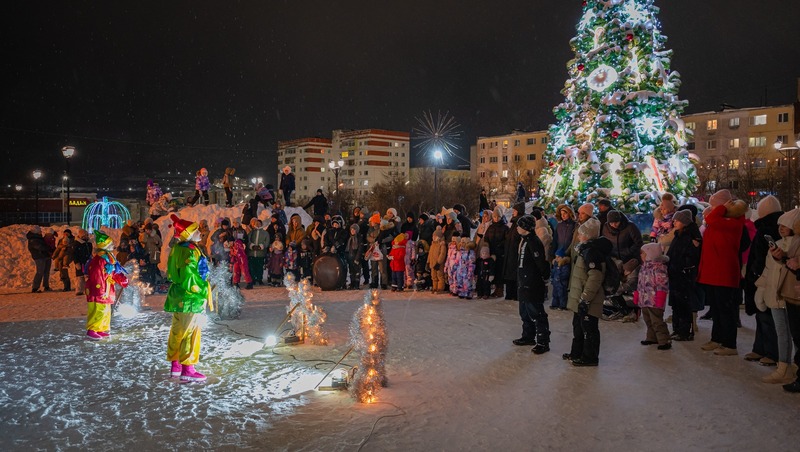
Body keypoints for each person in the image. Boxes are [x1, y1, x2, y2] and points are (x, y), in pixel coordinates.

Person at [697, 190, 748, 356]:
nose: (711, 209)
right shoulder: (722, 221)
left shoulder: (733, 221)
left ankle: (729, 344)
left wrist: (720, 209)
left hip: (724, 273)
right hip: (714, 272)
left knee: (726, 311)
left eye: (714, 205)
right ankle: (717, 338)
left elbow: (710, 218)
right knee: (717, 309)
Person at [756, 208, 799, 384]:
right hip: (776, 293)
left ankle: (792, 366)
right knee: (782, 332)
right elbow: (768, 270)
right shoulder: (777, 244)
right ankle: (784, 366)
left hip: (791, 294)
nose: (781, 228)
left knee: (795, 333)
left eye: (785, 225)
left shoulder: (795, 244)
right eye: (779, 225)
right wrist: (762, 288)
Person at [164, 214, 209, 381]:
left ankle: (176, 365)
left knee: (178, 331)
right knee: (190, 332)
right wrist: (202, 288)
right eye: (195, 230)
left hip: (179, 296)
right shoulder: (188, 250)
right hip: (190, 297)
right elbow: (189, 274)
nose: (199, 232)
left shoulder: (178, 248)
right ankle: (188, 369)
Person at [743, 195, 782, 365]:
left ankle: (772, 352)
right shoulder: (768, 228)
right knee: (761, 315)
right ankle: (760, 348)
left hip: (765, 278)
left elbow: (763, 256)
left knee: (766, 316)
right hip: (760, 276)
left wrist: (755, 273)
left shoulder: (769, 229)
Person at [564, 218, 609, 366]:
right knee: (578, 326)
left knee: (588, 329)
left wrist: (585, 298)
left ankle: (590, 357)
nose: (578, 237)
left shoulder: (592, 252)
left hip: (588, 299)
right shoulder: (584, 250)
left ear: (588, 236)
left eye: (581, 234)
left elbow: (595, 277)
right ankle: (577, 352)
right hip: (581, 298)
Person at [513, 215, 551, 354]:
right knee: (524, 312)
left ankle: (543, 340)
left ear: (526, 228)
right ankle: (528, 335)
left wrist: (544, 276)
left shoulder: (534, 242)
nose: (517, 228)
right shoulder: (524, 240)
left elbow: (540, 263)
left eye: (519, 225)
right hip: (523, 282)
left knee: (536, 312)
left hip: (532, 283)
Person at [666, 208, 702, 341]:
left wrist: (683, 267)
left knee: (683, 303)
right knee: (676, 304)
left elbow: (690, 256)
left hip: (683, 275)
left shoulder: (690, 237)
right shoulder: (679, 234)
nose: (674, 221)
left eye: (678, 220)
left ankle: (684, 331)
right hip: (676, 273)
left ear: (685, 222)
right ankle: (677, 329)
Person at [85, 231, 129, 340]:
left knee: (105, 310)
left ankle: (101, 328)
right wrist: (100, 290)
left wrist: (122, 280)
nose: (112, 246)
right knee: (98, 310)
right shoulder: (99, 260)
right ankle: (92, 329)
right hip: (100, 290)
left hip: (106, 289)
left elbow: (114, 272)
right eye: (110, 244)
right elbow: (97, 276)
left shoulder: (108, 258)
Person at [636, 243, 671, 350]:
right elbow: (639, 283)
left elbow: (662, 284)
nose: (641, 256)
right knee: (648, 320)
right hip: (645, 299)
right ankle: (652, 337)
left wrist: (661, 297)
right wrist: (637, 295)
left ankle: (664, 340)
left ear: (650, 254)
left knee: (657, 321)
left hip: (655, 300)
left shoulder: (658, 268)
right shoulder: (644, 267)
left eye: (643, 254)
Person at [503, 202, 526, 300]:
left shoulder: (520, 222)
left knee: (514, 273)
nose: (513, 212)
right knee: (509, 272)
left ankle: (514, 294)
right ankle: (509, 293)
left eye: (515, 210)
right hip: (510, 250)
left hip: (515, 251)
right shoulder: (513, 223)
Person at [484, 206, 507, 298]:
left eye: (498, 217)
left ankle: (500, 289)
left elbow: (506, 240)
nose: (496, 219)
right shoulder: (491, 227)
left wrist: (500, 246)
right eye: (494, 217)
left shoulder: (505, 228)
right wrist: (486, 247)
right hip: (492, 252)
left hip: (500, 253)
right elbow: (486, 238)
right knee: (493, 271)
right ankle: (495, 289)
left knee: (499, 271)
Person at [27, 225, 52, 293]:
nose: (41, 232)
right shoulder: (33, 239)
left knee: (46, 271)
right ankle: (35, 287)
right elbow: (40, 247)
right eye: (39, 231)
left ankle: (46, 286)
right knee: (40, 272)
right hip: (39, 257)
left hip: (45, 256)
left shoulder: (39, 238)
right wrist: (48, 248)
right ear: (36, 232)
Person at [247, 219, 269, 286]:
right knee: (252, 267)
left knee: (259, 267)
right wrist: (252, 246)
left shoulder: (265, 233)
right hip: (252, 253)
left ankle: (259, 279)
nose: (257, 224)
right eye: (256, 223)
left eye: (259, 223)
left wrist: (261, 246)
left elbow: (267, 241)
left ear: (261, 224)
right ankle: (253, 279)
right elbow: (248, 240)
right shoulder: (251, 232)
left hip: (260, 254)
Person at [73, 229, 93, 296]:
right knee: (80, 277)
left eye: (86, 235)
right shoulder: (77, 243)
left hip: (87, 262)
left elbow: (90, 252)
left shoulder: (89, 243)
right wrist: (76, 262)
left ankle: (87, 289)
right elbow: (74, 254)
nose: (85, 237)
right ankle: (79, 290)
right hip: (80, 262)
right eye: (84, 236)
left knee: (87, 276)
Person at [428, 228, 446, 294]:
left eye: (435, 236)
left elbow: (442, 254)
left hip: (439, 264)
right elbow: (430, 254)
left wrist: (439, 262)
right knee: (433, 276)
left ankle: (440, 288)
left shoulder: (442, 245)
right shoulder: (432, 244)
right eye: (433, 236)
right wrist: (428, 262)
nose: (433, 237)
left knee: (440, 276)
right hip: (432, 263)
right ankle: (434, 287)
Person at [345, 223, 364, 289]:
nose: (352, 231)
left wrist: (357, 258)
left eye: (354, 230)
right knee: (351, 271)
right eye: (351, 230)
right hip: (350, 256)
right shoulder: (349, 238)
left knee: (357, 271)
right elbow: (347, 248)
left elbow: (360, 249)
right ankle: (352, 283)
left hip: (356, 256)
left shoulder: (359, 238)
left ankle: (356, 284)